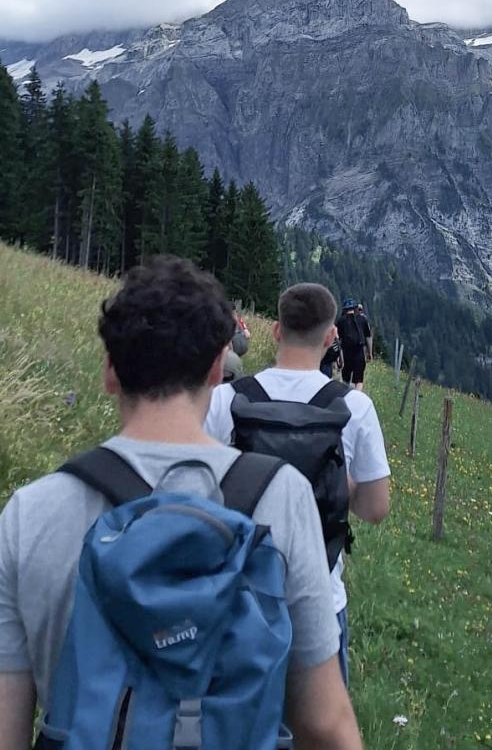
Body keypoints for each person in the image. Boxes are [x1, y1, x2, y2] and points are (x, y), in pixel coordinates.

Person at [0, 258, 363, 750]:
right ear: (218, 370)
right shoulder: (281, 496)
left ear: (110, 370)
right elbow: (323, 722)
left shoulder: (32, 511)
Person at [205, 283, 390, 686]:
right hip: (319, 600)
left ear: (275, 330)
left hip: (238, 594)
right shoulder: (354, 407)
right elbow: (376, 508)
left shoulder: (228, 399)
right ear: (331, 337)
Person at [335, 298, 372, 390]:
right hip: (359, 350)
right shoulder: (362, 319)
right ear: (355, 308)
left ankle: (346, 397)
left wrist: (338, 356)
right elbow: (368, 337)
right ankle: (357, 398)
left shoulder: (340, 321)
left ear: (344, 309)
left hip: (346, 351)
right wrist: (369, 352)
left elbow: (338, 339)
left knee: (346, 377)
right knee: (359, 379)